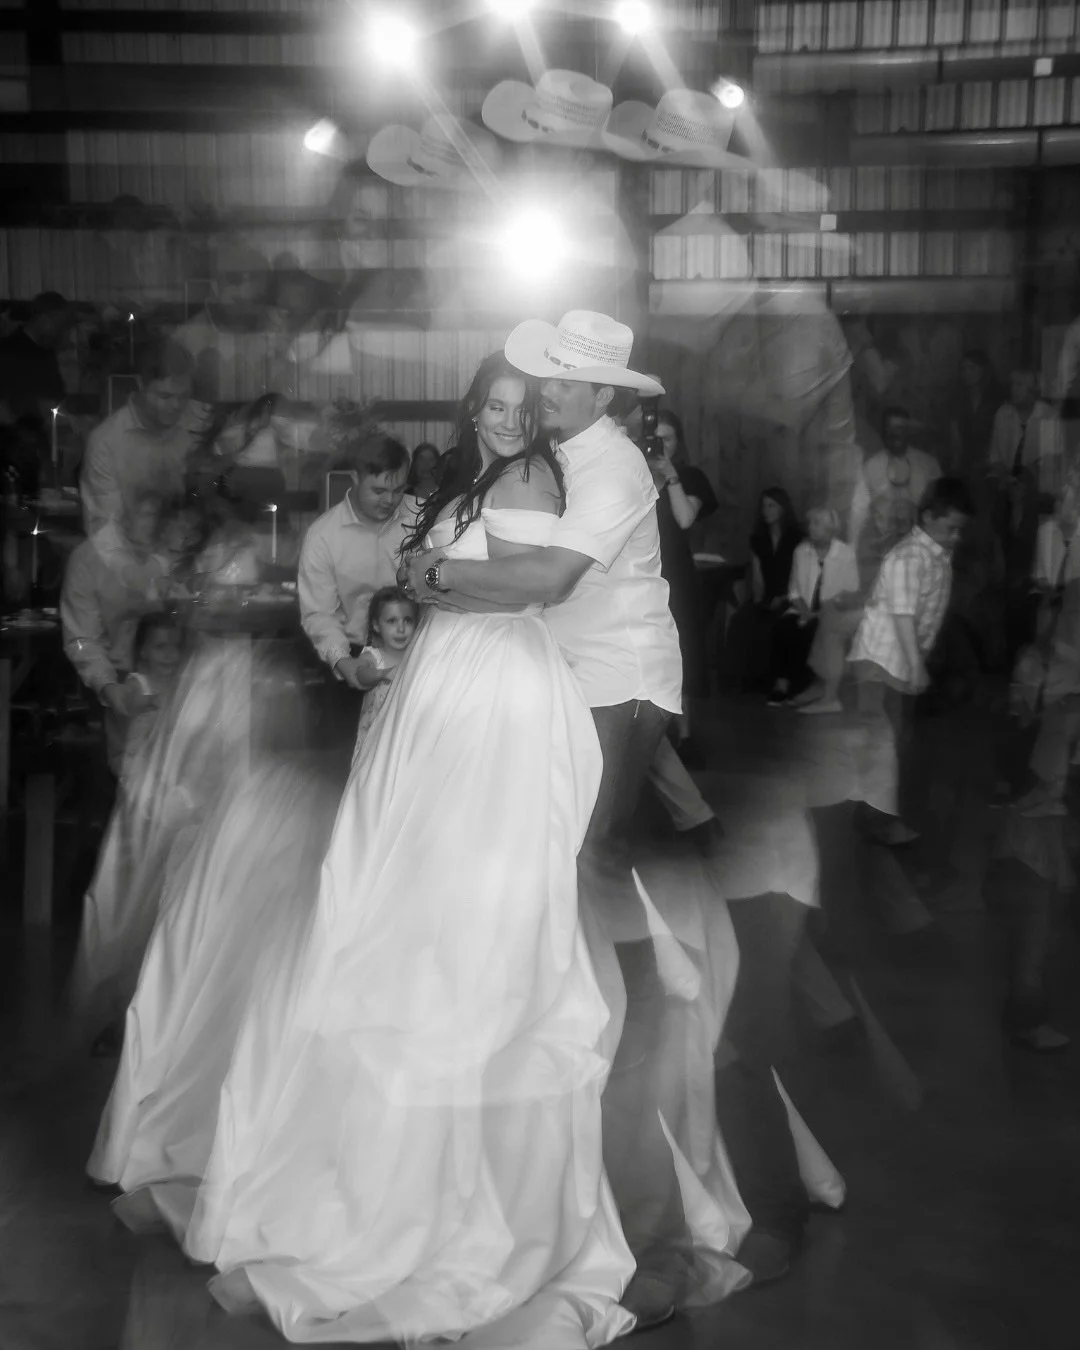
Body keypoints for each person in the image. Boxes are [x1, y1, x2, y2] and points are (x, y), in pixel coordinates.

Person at [91, 350, 670, 1347]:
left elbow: (523, 590)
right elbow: (451, 582)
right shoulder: (483, 475)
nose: (507, 419)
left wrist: (431, 574)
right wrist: (431, 577)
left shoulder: (535, 476)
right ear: (473, 408)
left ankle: (448, 1159)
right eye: (494, 404)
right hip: (443, 679)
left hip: (494, 687)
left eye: (521, 406)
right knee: (394, 882)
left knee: (462, 894)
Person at [405, 312, 709, 1321]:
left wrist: (433, 574)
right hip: (574, 682)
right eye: (540, 380)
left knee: (585, 876)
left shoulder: (611, 464)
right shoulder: (561, 453)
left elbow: (547, 579)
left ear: (602, 392)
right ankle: (596, 1031)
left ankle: (626, 1070)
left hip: (618, 685)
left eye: (560, 383)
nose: (544, 394)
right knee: (562, 874)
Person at [848, 477, 974, 847]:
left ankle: (877, 813)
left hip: (899, 661)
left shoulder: (936, 554)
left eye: (960, 530)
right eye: (951, 528)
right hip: (882, 661)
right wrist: (917, 666)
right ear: (929, 517)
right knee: (887, 743)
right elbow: (902, 615)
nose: (957, 537)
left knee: (896, 740)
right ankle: (879, 819)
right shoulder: (908, 557)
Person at [60, 489, 170, 773]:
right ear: (121, 514)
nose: (155, 523)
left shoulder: (174, 549)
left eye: (158, 514)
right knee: (133, 772)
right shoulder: (88, 559)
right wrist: (110, 689)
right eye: (148, 514)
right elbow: (82, 639)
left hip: (178, 679)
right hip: (121, 682)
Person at [297, 430, 412, 699]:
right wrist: (342, 661)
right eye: (379, 490)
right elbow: (319, 614)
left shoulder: (422, 518)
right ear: (354, 478)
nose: (389, 500)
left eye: (398, 490)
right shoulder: (323, 536)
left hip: (415, 655)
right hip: (353, 656)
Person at [80, 339, 199, 538]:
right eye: (165, 396)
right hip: (131, 555)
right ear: (141, 384)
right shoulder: (106, 442)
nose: (177, 406)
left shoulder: (196, 429)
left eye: (184, 396)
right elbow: (105, 534)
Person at [773, 506, 862, 714]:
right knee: (784, 627)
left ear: (831, 529)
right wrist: (805, 612)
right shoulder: (801, 551)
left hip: (833, 611)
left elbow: (852, 591)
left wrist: (823, 612)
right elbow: (794, 590)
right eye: (810, 523)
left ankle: (814, 688)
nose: (811, 528)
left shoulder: (845, 553)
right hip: (803, 608)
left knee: (819, 630)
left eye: (817, 523)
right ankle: (782, 686)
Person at [848, 406, 942, 551]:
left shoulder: (928, 465)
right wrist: (852, 547)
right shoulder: (870, 467)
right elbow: (859, 510)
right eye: (889, 429)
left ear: (909, 431)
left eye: (900, 428)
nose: (895, 434)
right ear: (883, 432)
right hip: (884, 548)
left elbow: (941, 509)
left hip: (923, 547)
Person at [350, 585, 419, 757]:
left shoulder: (417, 657)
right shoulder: (373, 657)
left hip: (406, 737)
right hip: (375, 742)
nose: (401, 629)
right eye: (392, 621)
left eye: (408, 620)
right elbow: (361, 674)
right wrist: (382, 674)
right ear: (376, 625)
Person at [0, 291, 73, 423]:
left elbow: (57, 396)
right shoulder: (7, 352)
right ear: (44, 319)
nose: (62, 333)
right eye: (59, 326)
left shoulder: (47, 353)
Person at [948, 349, 1001, 479]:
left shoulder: (996, 399)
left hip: (993, 463)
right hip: (964, 462)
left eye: (972, 368)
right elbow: (955, 436)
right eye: (963, 369)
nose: (967, 373)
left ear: (983, 370)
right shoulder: (957, 399)